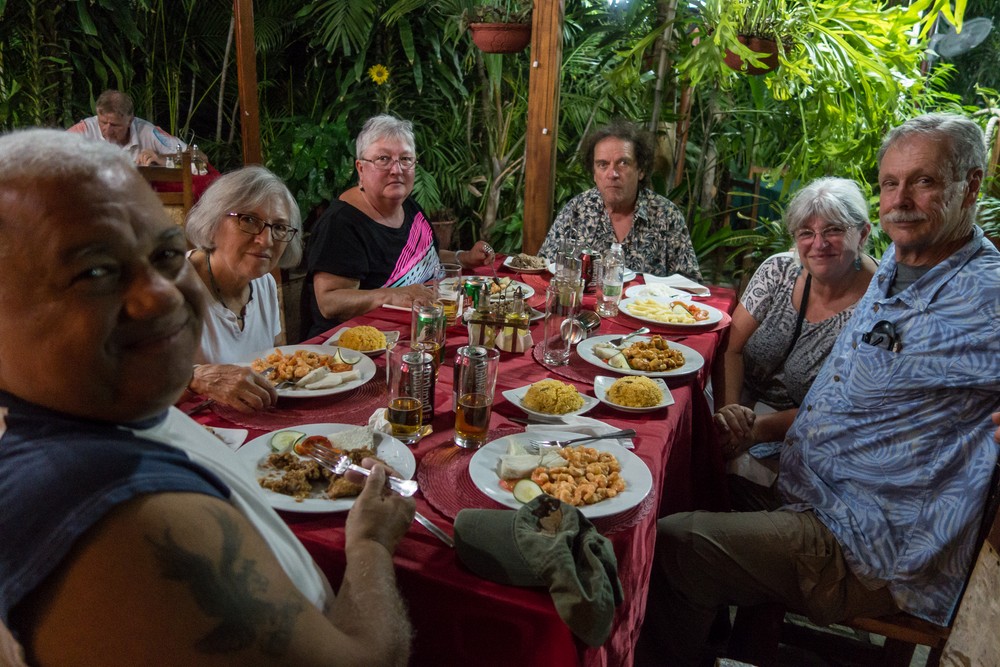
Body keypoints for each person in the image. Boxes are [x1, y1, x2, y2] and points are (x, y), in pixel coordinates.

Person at [0, 129, 415, 665]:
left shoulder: (113, 417)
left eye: (166, 253)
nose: (160, 295)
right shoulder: (126, 521)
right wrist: (371, 545)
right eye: (95, 271)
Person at [643, 113, 1000, 666]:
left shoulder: (986, 293)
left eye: (924, 181)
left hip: (864, 540)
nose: (900, 199)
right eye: (890, 183)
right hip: (802, 481)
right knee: (663, 485)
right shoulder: (895, 267)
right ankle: (707, 645)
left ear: (970, 185)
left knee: (672, 546)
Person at [712, 177, 877, 459]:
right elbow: (731, 348)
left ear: (862, 235)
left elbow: (843, 406)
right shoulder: (779, 270)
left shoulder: (877, 308)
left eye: (833, 230)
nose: (819, 244)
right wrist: (730, 413)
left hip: (809, 429)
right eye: (806, 233)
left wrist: (757, 431)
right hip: (736, 403)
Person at [304, 114, 493, 337]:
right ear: (361, 169)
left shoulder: (409, 206)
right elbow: (330, 302)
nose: (397, 169)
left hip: (420, 329)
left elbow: (425, 258)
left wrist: (464, 257)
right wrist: (390, 295)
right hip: (356, 349)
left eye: (405, 159)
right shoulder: (341, 224)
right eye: (383, 159)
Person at [183, 166, 303, 413]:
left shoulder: (265, 284)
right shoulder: (168, 287)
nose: (266, 240)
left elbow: (274, 368)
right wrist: (195, 379)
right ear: (213, 221)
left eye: (279, 227)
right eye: (248, 220)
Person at [537, 119, 702, 281]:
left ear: (641, 170)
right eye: (602, 164)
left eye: (623, 163)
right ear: (594, 174)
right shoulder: (576, 211)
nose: (612, 174)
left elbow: (691, 286)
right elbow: (543, 269)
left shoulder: (666, 216)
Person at [68, 89, 188, 167]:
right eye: (103, 122)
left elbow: (198, 157)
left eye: (115, 125)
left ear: (130, 121)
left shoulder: (148, 132)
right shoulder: (84, 130)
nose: (108, 130)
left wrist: (160, 158)